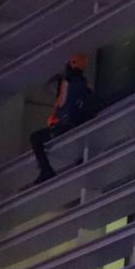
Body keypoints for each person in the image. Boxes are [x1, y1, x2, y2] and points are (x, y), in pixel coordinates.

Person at [28, 53, 97, 185]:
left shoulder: (69, 83)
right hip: (75, 124)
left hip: (65, 125)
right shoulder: (85, 85)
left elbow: (64, 105)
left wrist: (59, 121)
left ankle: (46, 169)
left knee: (35, 138)